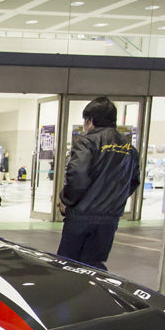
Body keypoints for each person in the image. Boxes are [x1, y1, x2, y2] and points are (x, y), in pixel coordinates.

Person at [56, 96, 141, 270]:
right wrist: (112, 202)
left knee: (66, 267)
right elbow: (133, 181)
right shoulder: (129, 148)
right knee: (93, 267)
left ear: (90, 121)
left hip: (81, 217)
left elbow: (78, 176)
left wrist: (66, 200)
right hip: (109, 220)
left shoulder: (87, 143)